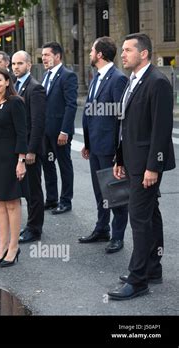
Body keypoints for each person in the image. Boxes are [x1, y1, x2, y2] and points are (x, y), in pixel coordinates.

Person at [108, 33, 175, 301]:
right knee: (151, 215)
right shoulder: (133, 80)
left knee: (138, 219)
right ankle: (152, 267)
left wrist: (153, 167)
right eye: (122, 50)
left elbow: (161, 129)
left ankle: (138, 280)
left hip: (147, 165)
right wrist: (120, 157)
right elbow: (127, 125)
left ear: (143, 53)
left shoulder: (157, 82)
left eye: (127, 50)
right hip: (134, 160)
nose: (122, 54)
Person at [79, 37, 128, 253]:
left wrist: (120, 153)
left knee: (115, 194)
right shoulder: (97, 77)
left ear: (100, 54)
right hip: (96, 145)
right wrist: (87, 142)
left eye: (92, 50)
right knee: (100, 192)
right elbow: (90, 112)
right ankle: (102, 229)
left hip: (109, 147)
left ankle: (117, 236)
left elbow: (121, 118)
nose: (89, 53)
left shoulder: (117, 79)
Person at [0, 67, 27, 267]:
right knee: (0, 204)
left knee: (12, 202)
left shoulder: (15, 103)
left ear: (7, 82)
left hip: (11, 160)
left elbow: (22, 133)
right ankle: (2, 246)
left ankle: (13, 246)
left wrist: (21, 161)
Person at [11, 51, 46, 244]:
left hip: (30, 149)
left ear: (29, 65)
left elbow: (38, 122)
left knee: (33, 190)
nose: (16, 67)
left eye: (20, 64)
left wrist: (31, 150)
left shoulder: (35, 88)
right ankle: (29, 224)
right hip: (19, 147)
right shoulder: (15, 85)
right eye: (14, 64)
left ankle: (35, 228)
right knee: (25, 188)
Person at [41, 42, 78, 215]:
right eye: (43, 55)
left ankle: (65, 201)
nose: (44, 58)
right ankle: (51, 199)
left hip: (59, 132)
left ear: (57, 56)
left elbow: (71, 105)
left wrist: (65, 131)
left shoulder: (67, 76)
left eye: (47, 55)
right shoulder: (45, 76)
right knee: (48, 165)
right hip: (45, 132)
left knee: (64, 165)